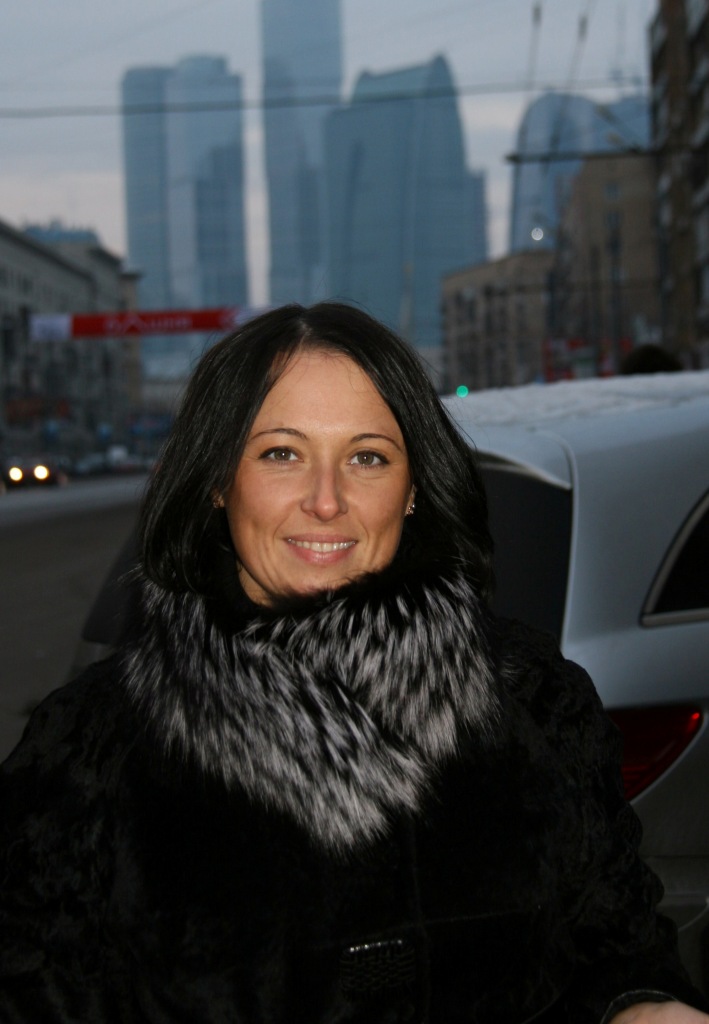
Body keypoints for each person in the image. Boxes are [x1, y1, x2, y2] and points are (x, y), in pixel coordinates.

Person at [0, 302, 707, 1024]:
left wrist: (641, 1005)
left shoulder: (532, 697)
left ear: (412, 488)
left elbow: (614, 948)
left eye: (367, 457)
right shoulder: (92, 748)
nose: (326, 501)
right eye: (281, 453)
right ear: (217, 479)